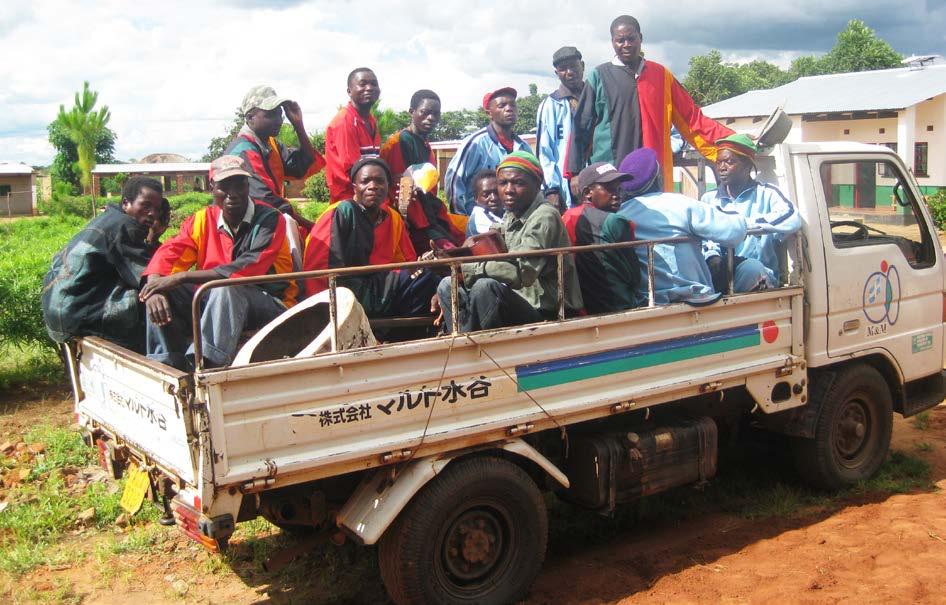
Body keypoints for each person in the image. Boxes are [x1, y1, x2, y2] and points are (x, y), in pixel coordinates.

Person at [140, 156, 297, 370]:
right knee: (164, 294)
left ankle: (205, 366)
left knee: (226, 288)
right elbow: (172, 252)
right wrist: (154, 285)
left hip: (271, 302)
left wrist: (182, 276)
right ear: (212, 187)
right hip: (215, 300)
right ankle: (164, 365)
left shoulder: (270, 219)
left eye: (240, 185)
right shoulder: (202, 220)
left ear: (247, 186)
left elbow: (248, 268)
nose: (233, 194)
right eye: (225, 187)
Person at [567, 15, 734, 191]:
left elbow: (691, 118)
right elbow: (581, 127)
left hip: (653, 177)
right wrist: (575, 172)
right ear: (612, 42)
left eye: (631, 38)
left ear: (641, 38)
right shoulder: (599, 76)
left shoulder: (661, 75)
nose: (626, 44)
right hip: (610, 177)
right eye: (620, 40)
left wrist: (732, 139)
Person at [436, 151, 582, 332]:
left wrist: (466, 269)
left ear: (537, 184)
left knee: (486, 287)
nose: (508, 190)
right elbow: (492, 236)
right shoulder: (512, 213)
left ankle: (466, 346)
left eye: (518, 183)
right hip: (522, 302)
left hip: (550, 310)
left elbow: (522, 273)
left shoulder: (545, 216)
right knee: (447, 284)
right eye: (503, 183)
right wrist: (450, 259)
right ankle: (464, 342)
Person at [616, 148, 767, 304]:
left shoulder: (620, 215)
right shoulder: (678, 204)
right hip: (694, 297)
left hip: (647, 301)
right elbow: (733, 232)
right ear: (658, 177)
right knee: (752, 268)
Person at [41, 177, 168, 352]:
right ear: (126, 203)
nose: (152, 214)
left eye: (157, 209)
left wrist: (152, 238)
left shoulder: (109, 218)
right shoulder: (125, 225)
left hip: (60, 310)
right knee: (157, 300)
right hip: (77, 313)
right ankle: (161, 357)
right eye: (146, 206)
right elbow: (149, 275)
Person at [302, 157, 438, 318]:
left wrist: (419, 267)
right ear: (354, 187)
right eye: (365, 181)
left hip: (382, 287)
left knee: (430, 281)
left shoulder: (393, 218)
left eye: (380, 181)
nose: (373, 186)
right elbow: (319, 269)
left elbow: (407, 261)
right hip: (344, 292)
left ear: (388, 187)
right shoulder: (339, 213)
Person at [701, 134, 801, 291]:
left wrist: (743, 226)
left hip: (760, 274)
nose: (722, 167)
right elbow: (702, 237)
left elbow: (792, 217)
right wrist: (712, 255)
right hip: (721, 273)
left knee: (752, 268)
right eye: (719, 162)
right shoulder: (708, 199)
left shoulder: (767, 194)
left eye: (729, 162)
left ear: (748, 165)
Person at [225, 85, 324, 230]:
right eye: (271, 115)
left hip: (271, 220)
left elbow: (302, 166)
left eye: (280, 114)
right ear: (250, 118)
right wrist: (312, 228)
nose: (278, 120)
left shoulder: (271, 144)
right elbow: (266, 201)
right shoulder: (243, 152)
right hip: (250, 230)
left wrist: (298, 125)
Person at [380, 89, 465, 253]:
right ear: (411, 112)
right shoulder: (398, 143)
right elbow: (400, 189)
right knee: (451, 252)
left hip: (430, 214)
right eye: (425, 113)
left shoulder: (426, 145)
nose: (431, 118)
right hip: (412, 220)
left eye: (436, 114)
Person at [563, 162, 641, 313]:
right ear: (587, 193)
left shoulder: (566, 216)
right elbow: (633, 275)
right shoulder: (616, 222)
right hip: (615, 305)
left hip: (576, 307)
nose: (617, 195)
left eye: (618, 189)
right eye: (609, 189)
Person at [444, 87, 532, 215]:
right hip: (479, 222)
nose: (509, 109)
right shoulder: (475, 143)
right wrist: (462, 219)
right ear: (489, 113)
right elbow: (454, 181)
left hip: (513, 221)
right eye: (502, 105)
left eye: (512, 105)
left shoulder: (523, 147)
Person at [536, 46, 585, 211]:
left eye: (573, 66)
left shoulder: (596, 97)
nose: (569, 72)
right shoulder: (550, 105)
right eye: (563, 69)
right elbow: (544, 152)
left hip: (596, 183)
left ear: (583, 66)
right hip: (565, 190)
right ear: (556, 73)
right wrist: (552, 189)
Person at [325, 67, 381, 203]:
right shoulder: (344, 121)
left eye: (374, 84)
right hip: (349, 202)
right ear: (349, 91)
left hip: (368, 198)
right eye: (363, 84)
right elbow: (353, 169)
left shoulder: (371, 121)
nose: (369, 88)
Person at [466, 169, 503, 236]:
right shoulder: (479, 219)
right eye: (486, 195)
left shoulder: (503, 212)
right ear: (476, 198)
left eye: (497, 192)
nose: (494, 198)